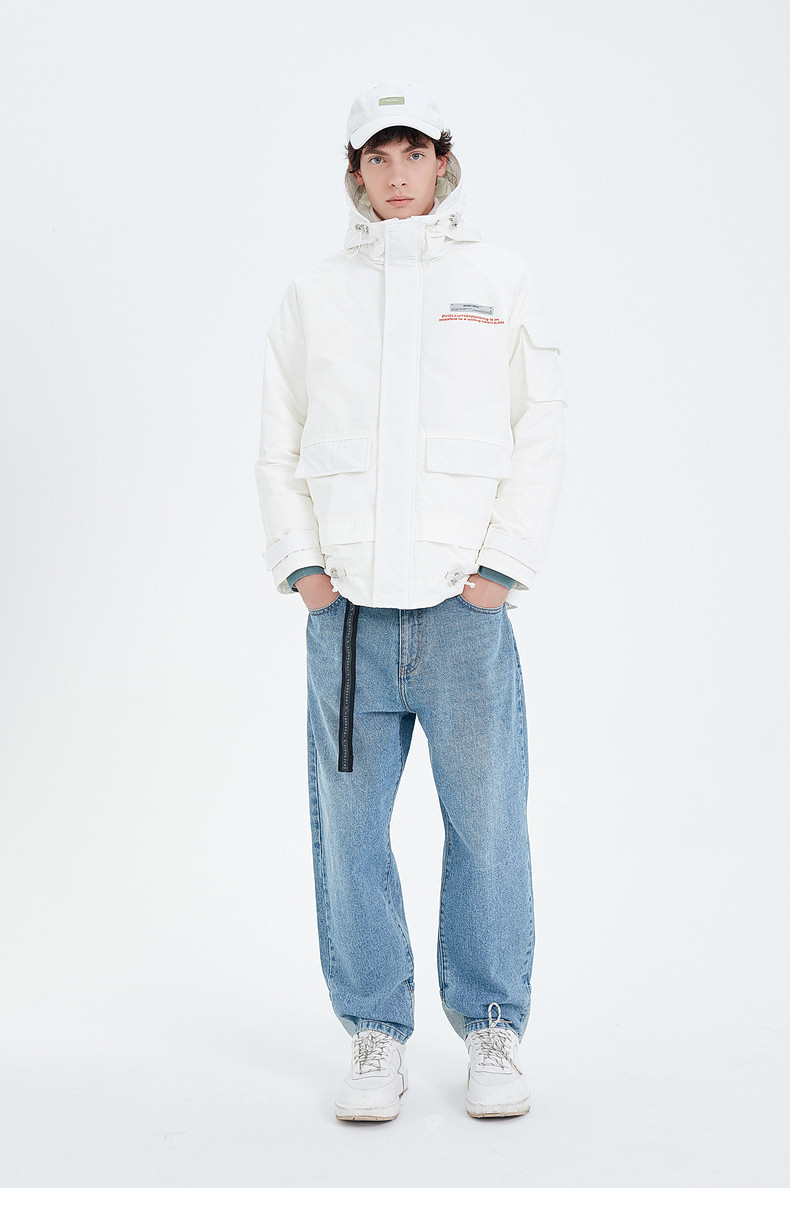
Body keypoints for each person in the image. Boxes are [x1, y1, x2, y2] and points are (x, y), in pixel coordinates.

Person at [254, 80, 567, 1121]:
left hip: (461, 614)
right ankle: (375, 1035)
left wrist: (502, 568)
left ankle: (491, 1027)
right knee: (349, 835)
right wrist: (302, 568)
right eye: (377, 158)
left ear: (444, 160)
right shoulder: (313, 293)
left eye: (414, 154)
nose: (397, 175)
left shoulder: (499, 279)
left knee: (488, 827)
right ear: (355, 171)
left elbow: (540, 429)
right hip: (345, 617)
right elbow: (278, 439)